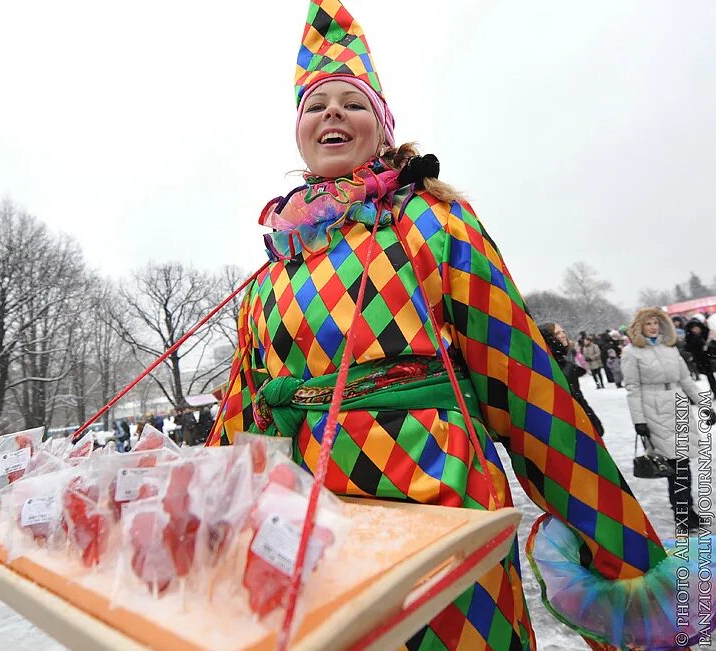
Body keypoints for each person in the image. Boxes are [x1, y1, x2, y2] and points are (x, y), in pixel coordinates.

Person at [209, 2, 691, 648]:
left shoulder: (431, 225)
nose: (330, 113)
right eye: (315, 104)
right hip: (311, 538)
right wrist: (198, 512)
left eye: (351, 103)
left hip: (438, 515)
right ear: (298, 133)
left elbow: (525, 389)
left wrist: (621, 559)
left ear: (383, 132)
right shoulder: (271, 272)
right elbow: (240, 420)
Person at [621, 308, 710, 531]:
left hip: (679, 407)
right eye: (648, 323)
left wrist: (704, 405)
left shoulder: (670, 349)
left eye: (656, 323)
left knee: (683, 464)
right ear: (639, 327)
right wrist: (638, 421)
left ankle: (687, 511)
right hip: (654, 411)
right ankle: (683, 514)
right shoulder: (632, 352)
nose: (653, 327)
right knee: (676, 466)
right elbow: (632, 388)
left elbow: (686, 380)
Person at [539, 323, 604, 435]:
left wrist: (591, 419)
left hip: (578, 418)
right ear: (548, 338)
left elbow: (577, 396)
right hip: (565, 423)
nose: (563, 335)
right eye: (557, 333)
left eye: (563, 331)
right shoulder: (549, 364)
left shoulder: (563, 360)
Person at [685, 318, 716, 394]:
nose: (695, 329)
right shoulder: (691, 338)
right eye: (693, 328)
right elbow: (690, 349)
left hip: (711, 357)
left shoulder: (707, 333)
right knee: (710, 376)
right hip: (703, 360)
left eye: (696, 327)